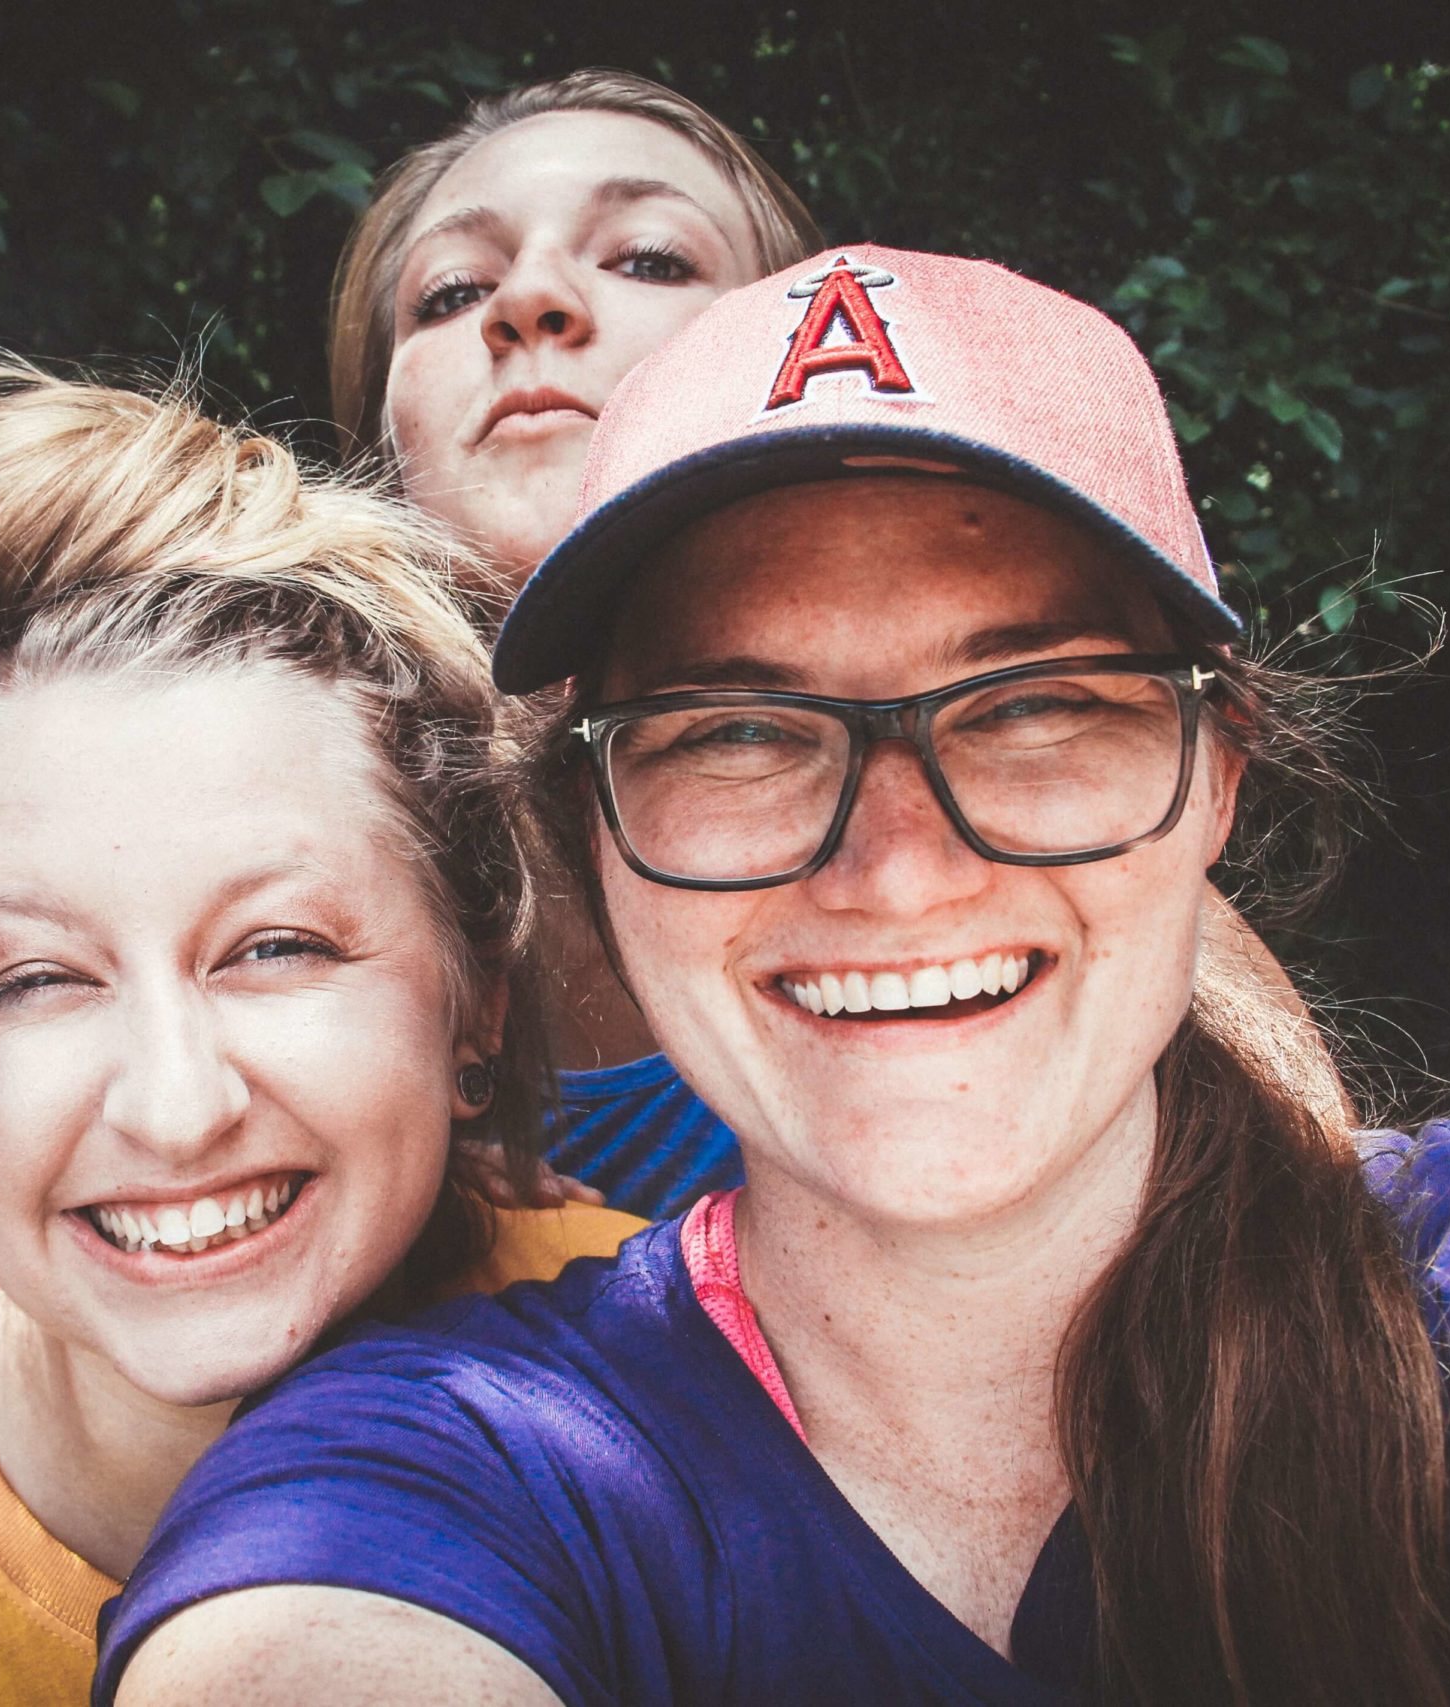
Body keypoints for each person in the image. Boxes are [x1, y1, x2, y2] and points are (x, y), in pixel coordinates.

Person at [97, 249, 1450, 1704]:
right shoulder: (453, 1468)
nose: (897, 860)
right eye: (737, 728)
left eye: (1032, 706)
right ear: (594, 830)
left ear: (1221, 770)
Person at [0, 352, 640, 1703]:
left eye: (276, 947)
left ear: (475, 1000)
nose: (173, 1104)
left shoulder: (681, 1361)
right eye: (39, 977)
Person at [331, 71, 1351, 1215]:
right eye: (452, 290)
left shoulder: (1100, 903)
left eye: (649, 258)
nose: (529, 301)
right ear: (375, 445)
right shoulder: (284, 882)